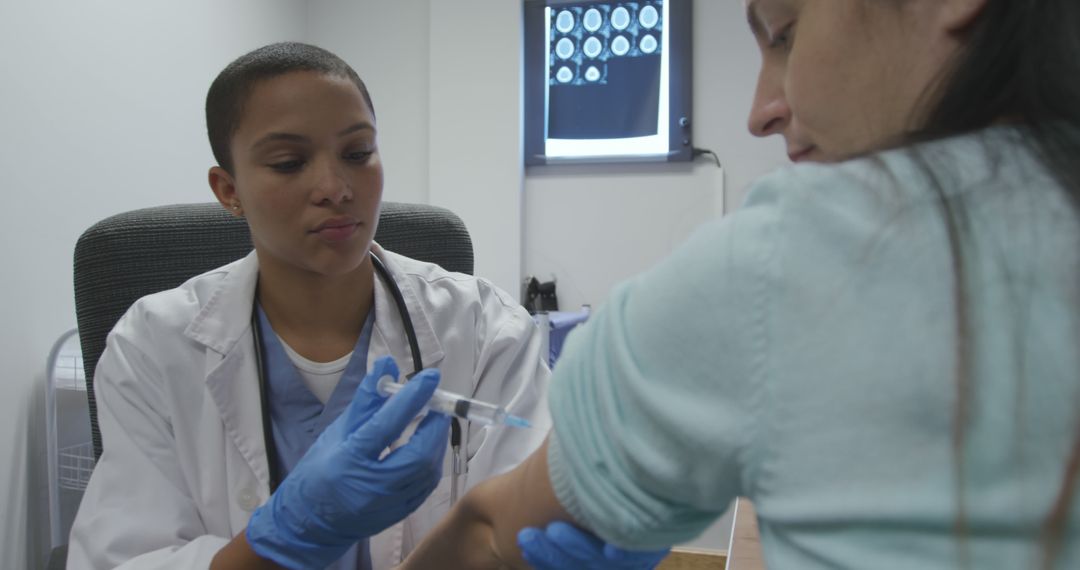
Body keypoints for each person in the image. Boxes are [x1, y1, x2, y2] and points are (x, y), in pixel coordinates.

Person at [399, 0, 1080, 568]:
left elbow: (488, 533)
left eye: (786, 33)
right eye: (287, 160)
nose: (759, 112)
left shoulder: (788, 259)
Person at [65, 42, 637, 570]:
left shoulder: (483, 328)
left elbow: (516, 518)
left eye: (358, 152)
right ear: (228, 190)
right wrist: (284, 537)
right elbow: (123, 560)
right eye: (289, 163)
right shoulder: (152, 345)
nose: (336, 187)